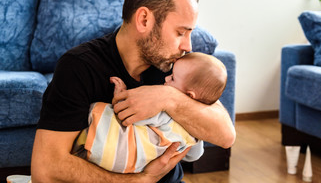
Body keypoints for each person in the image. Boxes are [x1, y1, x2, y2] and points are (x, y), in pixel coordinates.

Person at [31, 0, 236, 183]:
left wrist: (167, 98)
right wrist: (141, 180)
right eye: (180, 32)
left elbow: (225, 136)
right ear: (144, 20)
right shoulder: (79, 67)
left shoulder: (174, 66)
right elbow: (46, 168)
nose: (188, 45)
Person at [71, 52, 228, 173]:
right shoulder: (195, 133)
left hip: (117, 156)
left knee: (99, 112)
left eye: (172, 78)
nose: (166, 79)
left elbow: (131, 117)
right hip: (134, 166)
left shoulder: (165, 114)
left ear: (189, 95)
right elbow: (193, 156)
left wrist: (120, 96)